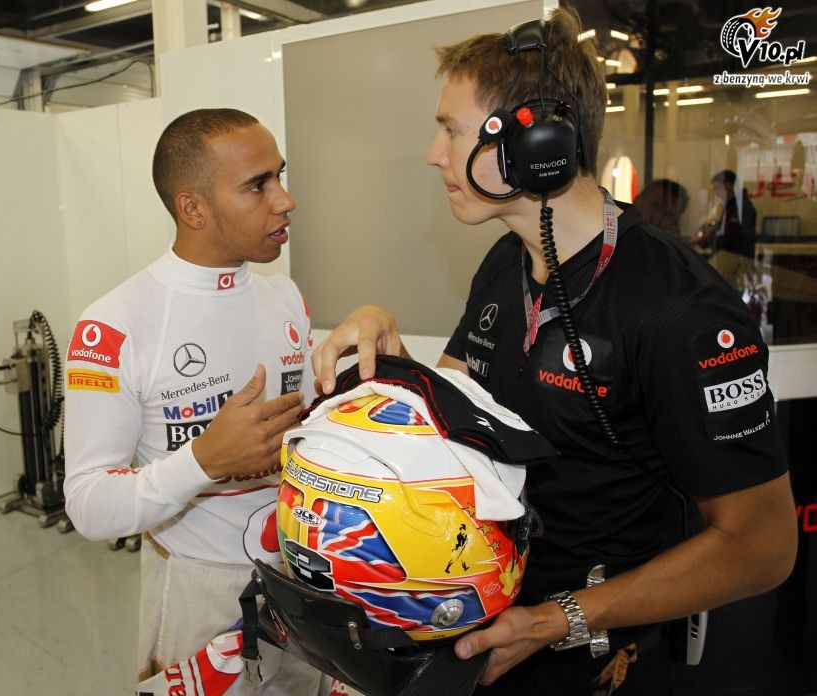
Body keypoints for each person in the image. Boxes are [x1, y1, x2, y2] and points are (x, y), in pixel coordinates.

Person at [312, 9, 797, 695]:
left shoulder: (676, 309)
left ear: (535, 142)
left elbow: (762, 547)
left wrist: (553, 621)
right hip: (489, 630)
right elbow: (459, 425)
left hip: (599, 660)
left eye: (451, 130)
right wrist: (391, 357)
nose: (432, 153)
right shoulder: (504, 262)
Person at [63, 108, 322, 693]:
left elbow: (312, 428)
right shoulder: (114, 324)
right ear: (193, 208)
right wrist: (205, 460)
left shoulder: (285, 297)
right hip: (197, 589)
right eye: (258, 185)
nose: (285, 200)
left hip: (301, 575)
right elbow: (88, 503)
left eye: (280, 176)